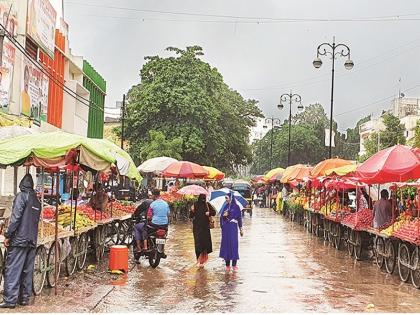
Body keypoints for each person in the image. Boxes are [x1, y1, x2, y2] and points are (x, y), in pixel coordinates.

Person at [1, 174, 41, 308]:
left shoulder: (22, 196)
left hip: (19, 240)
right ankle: (24, 298)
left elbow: (16, 218)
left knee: (12, 269)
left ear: (21, 185)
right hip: (32, 240)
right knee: (27, 270)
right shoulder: (36, 199)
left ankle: (10, 300)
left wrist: (8, 234)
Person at [189, 194, 216, 268]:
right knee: (198, 244)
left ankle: (202, 261)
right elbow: (190, 216)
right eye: (202, 198)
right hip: (197, 228)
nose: (203, 200)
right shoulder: (195, 205)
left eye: (204, 198)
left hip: (205, 228)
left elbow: (214, 213)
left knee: (204, 245)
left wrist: (209, 213)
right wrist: (192, 210)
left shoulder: (207, 204)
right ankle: (198, 260)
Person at [219, 192, 243, 272]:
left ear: (231, 198)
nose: (226, 200)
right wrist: (224, 216)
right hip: (226, 229)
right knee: (226, 245)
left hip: (233, 228)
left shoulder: (236, 207)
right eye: (225, 198)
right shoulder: (225, 206)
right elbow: (221, 218)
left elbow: (239, 218)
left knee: (233, 244)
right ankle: (227, 264)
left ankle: (234, 264)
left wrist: (241, 229)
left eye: (227, 198)